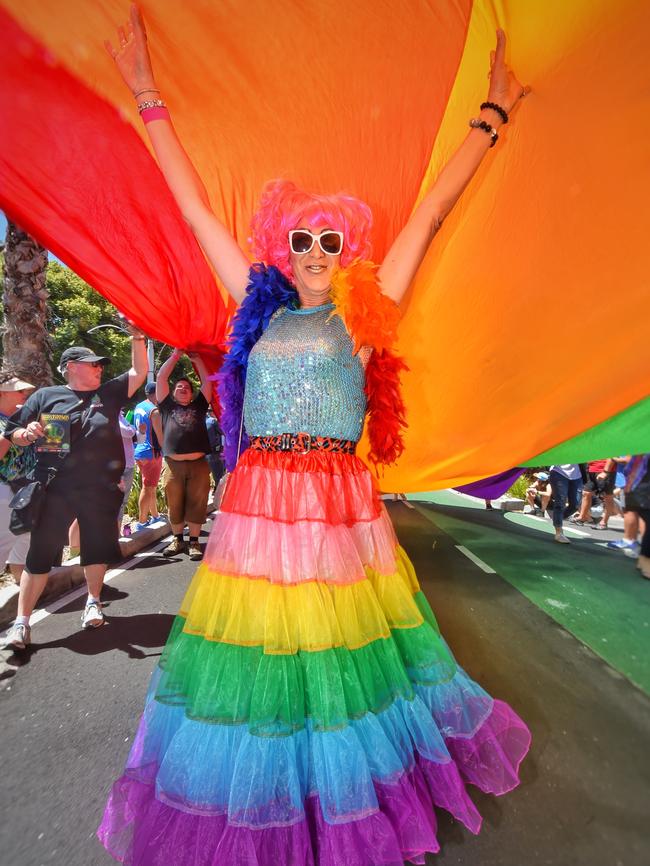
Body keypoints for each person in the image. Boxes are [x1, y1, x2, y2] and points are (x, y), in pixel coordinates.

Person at [99, 10, 530, 865]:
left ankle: (337, 799)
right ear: (280, 251)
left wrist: (492, 116)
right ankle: (272, 799)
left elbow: (433, 215)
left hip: (336, 500)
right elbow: (192, 212)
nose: (315, 251)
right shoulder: (253, 309)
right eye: (301, 240)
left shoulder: (361, 320)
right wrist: (149, 96)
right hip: (260, 499)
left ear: (349, 251)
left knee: (337, 652)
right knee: (263, 655)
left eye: (331, 240)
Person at [2, 336, 148, 650]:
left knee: (95, 549)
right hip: (55, 488)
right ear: (71, 367)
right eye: (92, 363)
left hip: (99, 490)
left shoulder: (107, 394)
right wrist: (26, 434)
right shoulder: (46, 396)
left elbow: (139, 372)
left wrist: (137, 337)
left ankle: (93, 603)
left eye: (99, 364)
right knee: (39, 554)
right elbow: (12, 430)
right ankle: (21, 624)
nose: (99, 368)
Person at [156, 350, 212, 559]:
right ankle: (177, 540)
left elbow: (207, 382)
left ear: (191, 394)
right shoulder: (166, 407)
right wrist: (176, 355)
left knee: (198, 503)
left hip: (198, 464)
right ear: (172, 393)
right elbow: (161, 377)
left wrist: (197, 358)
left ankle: (194, 542)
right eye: (179, 387)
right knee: (175, 503)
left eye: (187, 388)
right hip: (173, 465)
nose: (183, 389)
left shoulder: (199, 406)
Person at [0, 372, 36, 584]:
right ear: (2, 393)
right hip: (4, 489)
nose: (26, 393)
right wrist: (14, 431)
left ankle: (25, 590)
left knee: (24, 539)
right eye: (19, 391)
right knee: (4, 541)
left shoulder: (20, 416)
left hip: (24, 489)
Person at [133, 382, 163, 528]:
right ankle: (142, 522)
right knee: (148, 487)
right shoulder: (154, 411)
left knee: (150, 486)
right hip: (152, 452)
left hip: (140, 450)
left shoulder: (139, 406)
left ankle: (155, 516)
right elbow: (160, 435)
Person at [571, 458, 617, 528]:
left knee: (607, 496)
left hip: (606, 470)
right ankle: (582, 517)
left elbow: (613, 456)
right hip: (592, 469)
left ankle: (604, 522)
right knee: (586, 493)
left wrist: (605, 472)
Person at [549, 463, 585, 544]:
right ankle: (559, 532)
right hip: (559, 472)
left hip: (576, 476)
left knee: (575, 505)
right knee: (560, 503)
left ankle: (557, 519)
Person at [117, 410, 137, 537]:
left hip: (127, 464)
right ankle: (114, 536)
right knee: (118, 502)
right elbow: (127, 432)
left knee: (122, 502)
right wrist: (132, 428)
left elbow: (137, 436)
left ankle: (116, 535)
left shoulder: (120, 415)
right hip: (120, 466)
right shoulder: (112, 414)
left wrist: (132, 429)